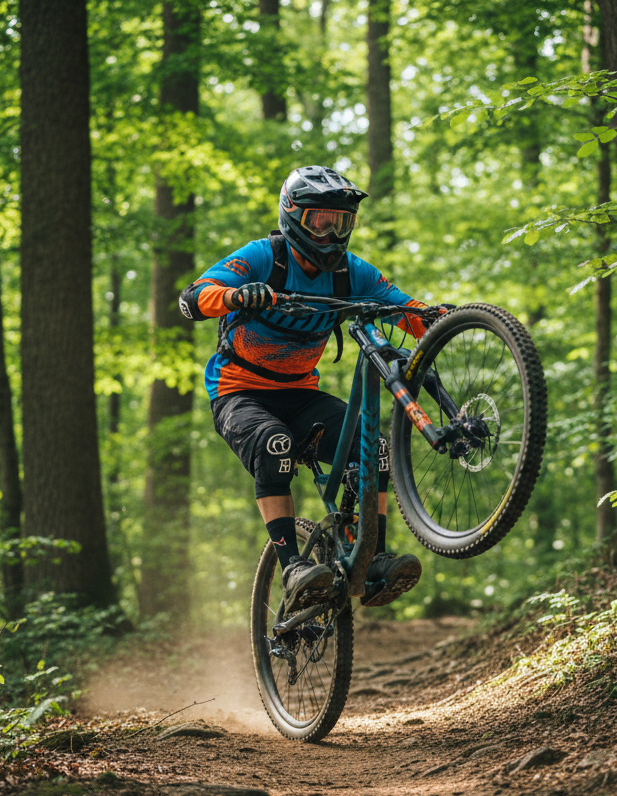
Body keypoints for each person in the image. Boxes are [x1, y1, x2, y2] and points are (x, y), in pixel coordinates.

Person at [178, 165, 445, 613]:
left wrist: (444, 318)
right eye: (318, 220)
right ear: (292, 216)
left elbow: (404, 309)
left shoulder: (350, 272)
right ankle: (293, 568)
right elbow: (193, 297)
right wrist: (235, 296)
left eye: (339, 222)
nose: (329, 233)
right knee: (274, 444)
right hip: (239, 392)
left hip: (301, 393)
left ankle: (370, 556)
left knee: (373, 447)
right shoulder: (265, 257)